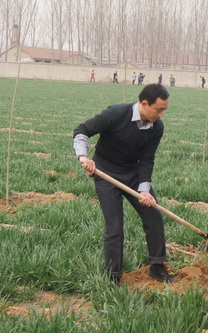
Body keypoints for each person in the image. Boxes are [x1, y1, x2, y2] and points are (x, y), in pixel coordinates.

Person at [72, 84, 175, 285]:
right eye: (159, 109)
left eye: (164, 110)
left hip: (133, 174)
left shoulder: (156, 128)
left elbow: (147, 159)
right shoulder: (116, 114)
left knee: (153, 216)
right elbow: (82, 130)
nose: (161, 114)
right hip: (106, 173)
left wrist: (144, 190)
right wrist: (83, 157)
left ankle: (157, 266)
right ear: (145, 104)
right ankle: (113, 276)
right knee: (115, 227)